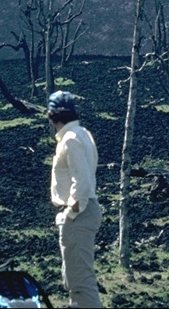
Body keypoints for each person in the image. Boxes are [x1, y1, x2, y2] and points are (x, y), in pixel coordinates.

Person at [47, 90, 103, 308]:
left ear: (52, 115)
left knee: (80, 283)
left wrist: (71, 213)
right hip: (85, 211)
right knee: (76, 279)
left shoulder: (70, 139)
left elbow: (81, 183)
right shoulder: (83, 134)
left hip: (79, 214)